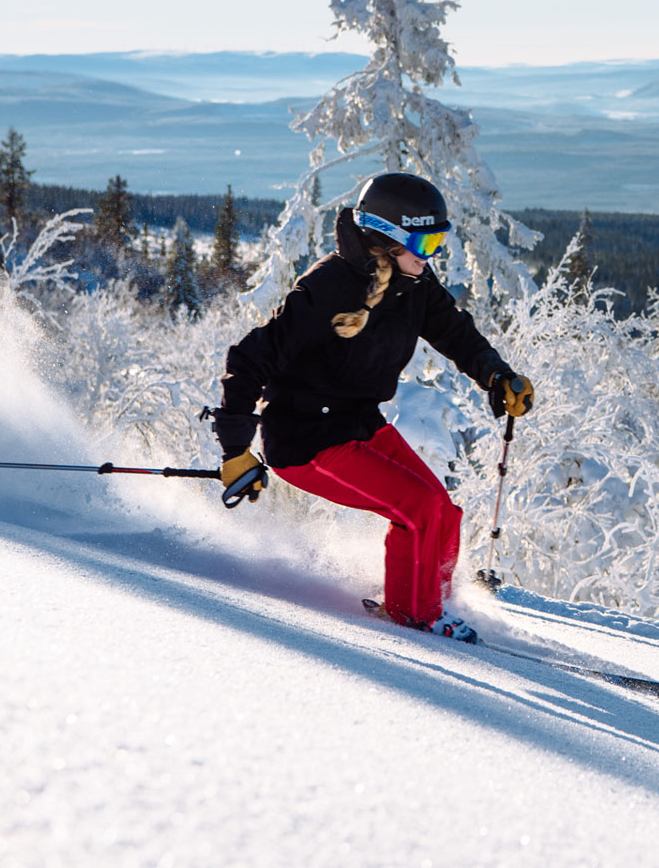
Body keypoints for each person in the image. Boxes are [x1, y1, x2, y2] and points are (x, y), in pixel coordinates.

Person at [211, 172, 534, 642]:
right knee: (417, 509)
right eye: (426, 243)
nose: (434, 254)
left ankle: (436, 601)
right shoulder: (328, 288)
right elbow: (248, 358)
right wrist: (236, 448)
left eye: (440, 241)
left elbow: (455, 333)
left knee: (443, 511)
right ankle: (417, 616)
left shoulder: (413, 283)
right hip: (305, 437)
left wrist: (496, 374)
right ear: (388, 239)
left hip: (358, 424)